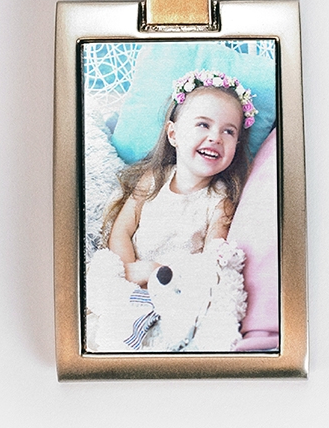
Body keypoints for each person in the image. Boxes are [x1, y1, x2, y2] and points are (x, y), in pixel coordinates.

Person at [103, 69, 257, 286]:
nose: (215, 137)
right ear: (173, 134)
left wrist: (166, 281)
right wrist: (131, 272)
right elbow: (121, 231)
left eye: (229, 131)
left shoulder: (220, 202)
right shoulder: (153, 180)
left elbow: (211, 262)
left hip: (178, 291)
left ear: (237, 145)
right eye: (203, 125)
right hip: (130, 279)